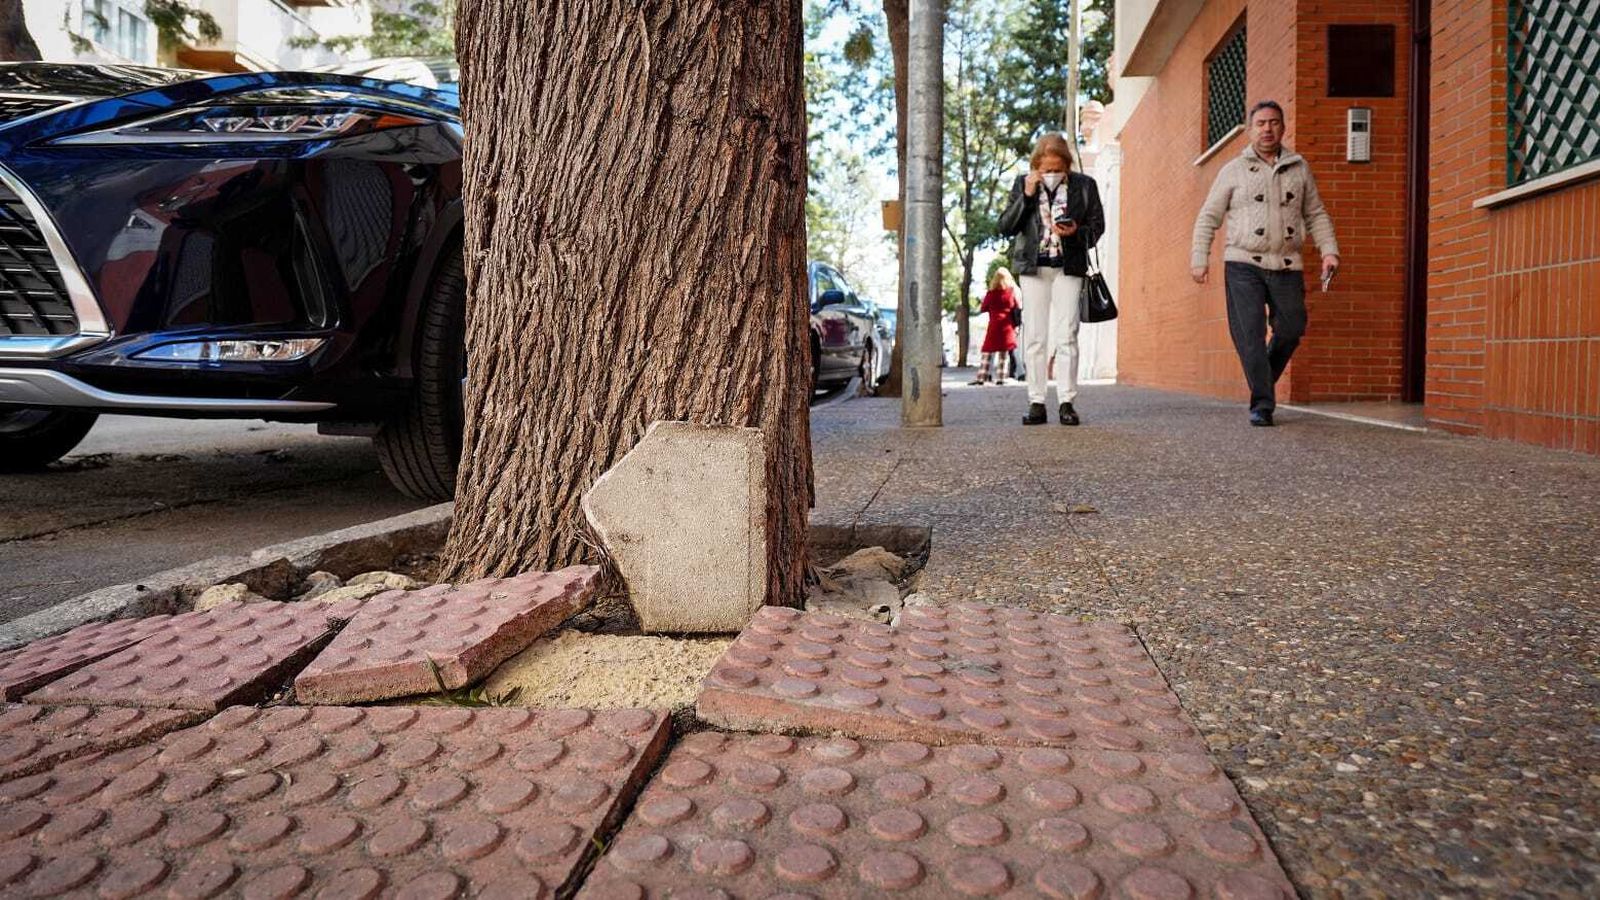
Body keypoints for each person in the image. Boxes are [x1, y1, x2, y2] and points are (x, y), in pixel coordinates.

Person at [1191, 99, 1339, 427]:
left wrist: (1329, 250)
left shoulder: (1299, 168)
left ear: (1283, 127)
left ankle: (1262, 383)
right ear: (1250, 130)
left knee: (1292, 327)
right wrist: (1199, 258)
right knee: (1250, 334)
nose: (1267, 129)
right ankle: (1262, 405)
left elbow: (1315, 213)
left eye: (1273, 122)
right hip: (1244, 262)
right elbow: (1208, 217)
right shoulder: (1232, 170)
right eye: (1260, 123)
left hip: (1287, 263)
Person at [997, 132, 1106, 425]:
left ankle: (1067, 401)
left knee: (1067, 333)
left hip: (1068, 267)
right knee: (1034, 336)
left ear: (1067, 165)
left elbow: (1098, 226)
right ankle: (1036, 401)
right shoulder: (1023, 184)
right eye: (1047, 169)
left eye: (1058, 169)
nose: (1052, 174)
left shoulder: (1085, 186)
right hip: (1033, 269)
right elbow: (1006, 225)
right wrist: (1028, 195)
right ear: (1036, 166)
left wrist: (1077, 233)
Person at [971, 268, 1021, 385]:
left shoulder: (991, 294)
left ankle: (982, 376)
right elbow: (1016, 306)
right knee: (1004, 352)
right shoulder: (1010, 292)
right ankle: (1001, 377)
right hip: (1007, 325)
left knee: (988, 350)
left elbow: (983, 308)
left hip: (993, 324)